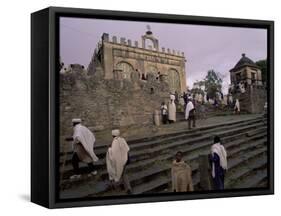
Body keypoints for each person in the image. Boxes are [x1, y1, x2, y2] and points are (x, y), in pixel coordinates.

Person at [106, 129, 132, 194]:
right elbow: (127, 149)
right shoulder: (122, 139)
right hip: (124, 160)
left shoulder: (114, 142)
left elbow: (113, 153)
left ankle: (117, 188)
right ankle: (128, 188)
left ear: (112, 135)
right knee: (124, 174)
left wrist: (109, 149)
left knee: (117, 174)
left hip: (118, 162)